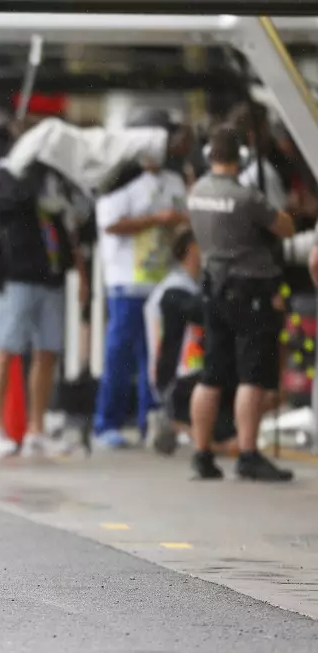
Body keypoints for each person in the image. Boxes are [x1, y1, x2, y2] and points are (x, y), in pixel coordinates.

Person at [187, 125, 296, 481]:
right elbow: (285, 227)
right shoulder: (246, 196)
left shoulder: (196, 192)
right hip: (250, 292)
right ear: (241, 157)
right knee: (253, 374)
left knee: (212, 374)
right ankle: (248, 454)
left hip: (213, 287)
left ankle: (201, 454)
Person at [0, 162, 88, 458]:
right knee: (6, 347)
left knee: (48, 350)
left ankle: (36, 430)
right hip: (18, 277)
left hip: (51, 275)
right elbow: (5, 208)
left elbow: (70, 226)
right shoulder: (4, 176)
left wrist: (81, 274)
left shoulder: (55, 178)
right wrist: (34, 183)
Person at [92, 134, 189, 449]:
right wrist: (155, 219)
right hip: (128, 280)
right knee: (120, 353)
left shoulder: (175, 181)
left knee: (157, 357)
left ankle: (154, 421)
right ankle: (107, 422)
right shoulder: (121, 180)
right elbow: (110, 224)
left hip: (163, 281)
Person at [144, 229, 239, 456]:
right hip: (178, 381)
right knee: (228, 443)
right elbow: (202, 311)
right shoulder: (173, 290)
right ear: (191, 249)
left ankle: (180, 426)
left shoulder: (191, 285)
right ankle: (176, 423)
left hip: (192, 377)